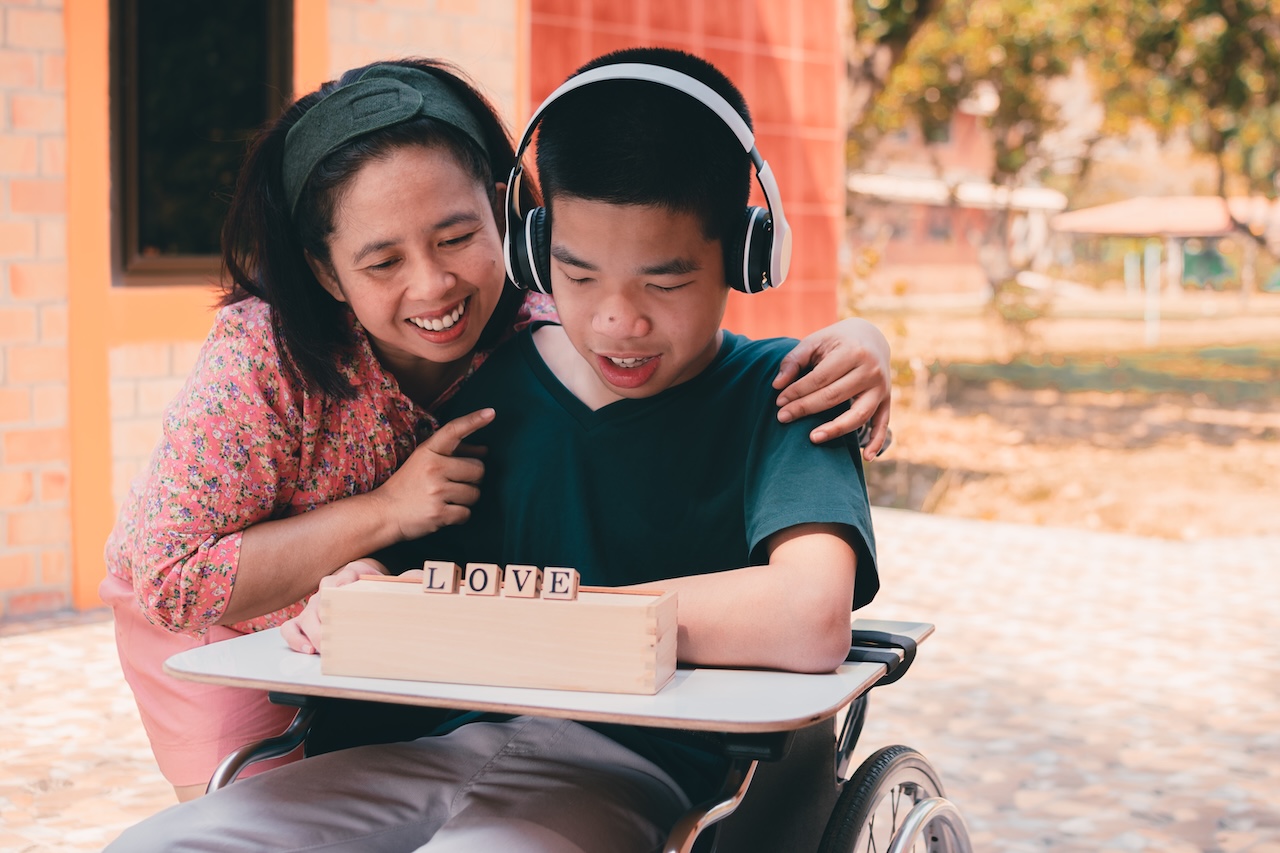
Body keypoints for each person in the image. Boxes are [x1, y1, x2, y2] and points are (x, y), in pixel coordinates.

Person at [107, 47, 879, 853]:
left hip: (628, 762)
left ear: (750, 256)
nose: (617, 320)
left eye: (665, 282)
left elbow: (808, 614)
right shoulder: (485, 387)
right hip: (426, 745)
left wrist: (545, 620)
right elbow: (410, 570)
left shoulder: (788, 395)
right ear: (538, 251)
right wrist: (359, 590)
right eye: (578, 276)